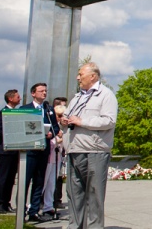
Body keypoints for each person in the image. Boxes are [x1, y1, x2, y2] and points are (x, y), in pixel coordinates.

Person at [59, 61, 118, 229]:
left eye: (81, 74)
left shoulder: (106, 95)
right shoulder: (77, 97)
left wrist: (82, 121)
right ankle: (75, 226)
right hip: (74, 149)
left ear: (93, 76)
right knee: (73, 194)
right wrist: (65, 120)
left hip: (95, 151)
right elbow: (70, 118)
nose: (78, 77)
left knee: (94, 195)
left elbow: (109, 120)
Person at [21, 82, 61, 223]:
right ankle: (21, 210)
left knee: (39, 182)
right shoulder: (25, 109)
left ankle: (34, 211)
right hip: (29, 151)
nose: (44, 93)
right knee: (25, 182)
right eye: (41, 91)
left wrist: (51, 133)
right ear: (33, 93)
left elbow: (56, 128)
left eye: (45, 91)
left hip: (43, 150)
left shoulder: (48, 109)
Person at [0, 88, 22, 214]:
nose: (19, 98)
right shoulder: (2, 113)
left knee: (11, 179)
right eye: (17, 96)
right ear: (10, 98)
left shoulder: (17, 113)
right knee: (3, 178)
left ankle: (6, 202)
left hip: (15, 150)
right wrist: (12, 131)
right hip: (5, 151)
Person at [42, 98, 67, 220]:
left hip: (57, 159)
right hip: (48, 158)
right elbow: (50, 141)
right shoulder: (52, 127)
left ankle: (48, 206)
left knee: (52, 184)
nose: (60, 118)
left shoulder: (61, 128)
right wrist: (59, 139)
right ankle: (34, 206)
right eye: (59, 115)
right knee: (43, 183)